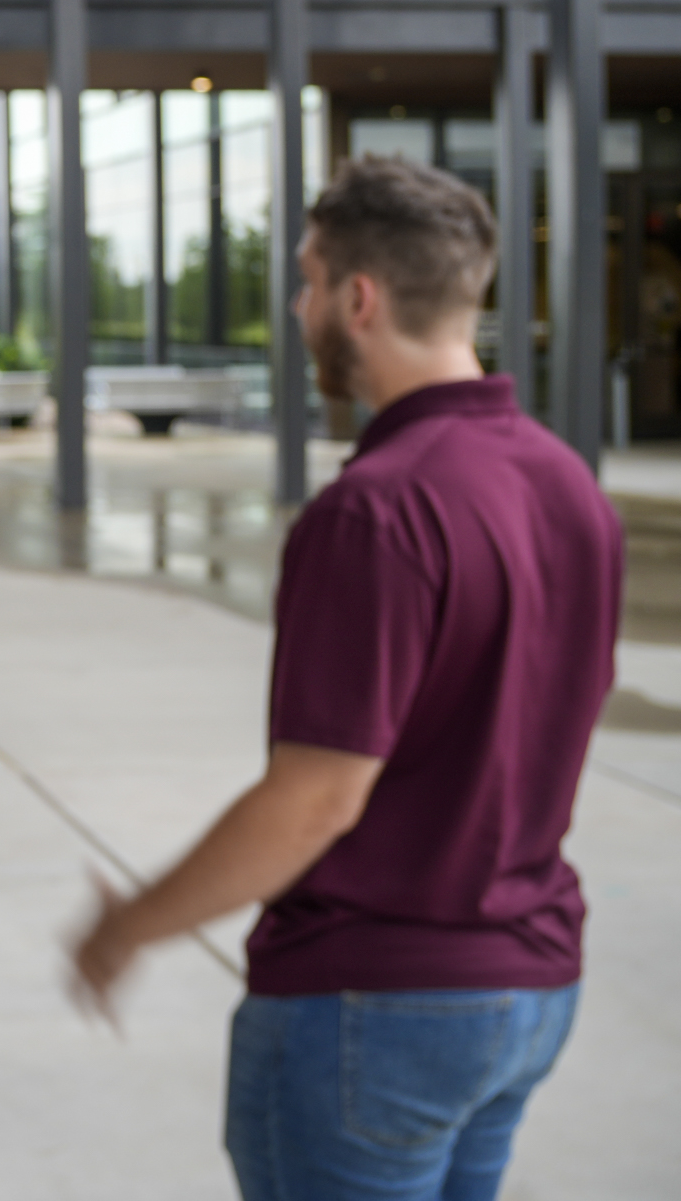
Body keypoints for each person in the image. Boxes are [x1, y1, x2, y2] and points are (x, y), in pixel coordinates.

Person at [69, 156, 620, 1199]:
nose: (298, 304)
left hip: (376, 1006)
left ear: (356, 300)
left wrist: (126, 926)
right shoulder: (566, 487)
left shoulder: (373, 510)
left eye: (308, 279)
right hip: (530, 987)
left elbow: (315, 801)